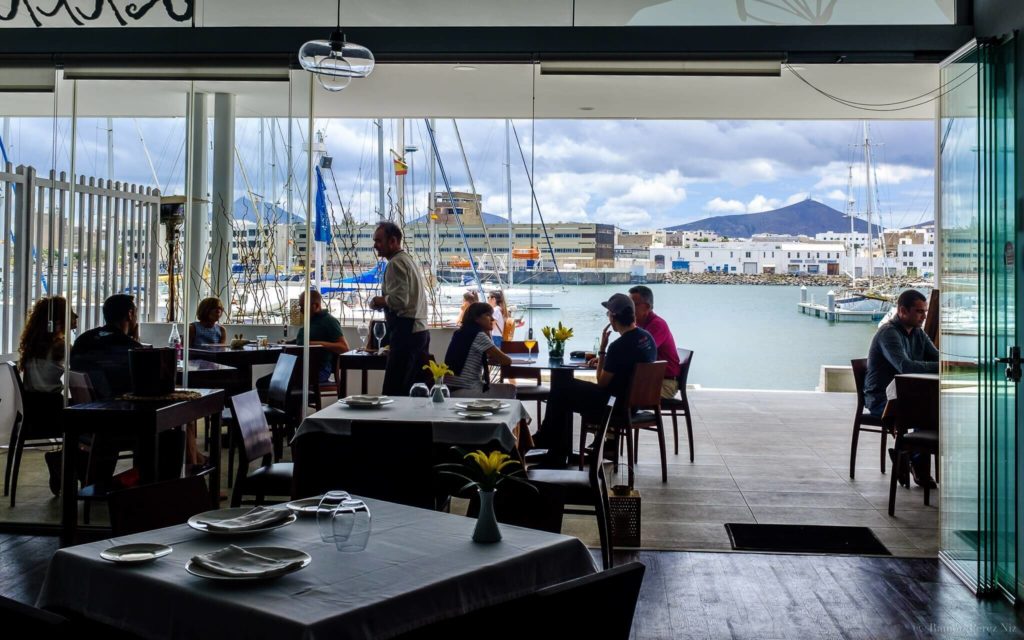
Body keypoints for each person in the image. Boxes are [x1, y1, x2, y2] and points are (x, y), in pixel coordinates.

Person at [532, 293, 656, 466]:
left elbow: (601, 382)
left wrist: (603, 351)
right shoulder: (647, 338)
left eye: (608, 314)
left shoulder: (617, 346)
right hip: (632, 404)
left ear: (613, 317)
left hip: (614, 404)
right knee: (563, 387)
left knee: (561, 390)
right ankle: (555, 449)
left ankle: (551, 447)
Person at [864, 289, 939, 487]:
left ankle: (905, 455)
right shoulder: (888, 333)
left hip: (908, 395)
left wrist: (945, 364)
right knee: (924, 414)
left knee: (931, 412)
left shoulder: (918, 333)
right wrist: (943, 366)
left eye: (925, 311)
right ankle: (910, 459)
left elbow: (937, 358)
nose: (924, 316)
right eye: (919, 312)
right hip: (881, 398)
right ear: (902, 310)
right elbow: (905, 366)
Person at [17, 296, 77, 496]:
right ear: (59, 319)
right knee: (94, 422)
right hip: (51, 413)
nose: (75, 316)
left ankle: (63, 460)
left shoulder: (34, 345)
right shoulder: (60, 346)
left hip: (34, 413)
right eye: (70, 313)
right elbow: (83, 366)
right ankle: (75, 468)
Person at [369, 221, 430, 396]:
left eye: (379, 241)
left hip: (406, 332)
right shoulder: (408, 260)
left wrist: (378, 301)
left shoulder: (395, 264)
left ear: (393, 241)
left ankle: (392, 423)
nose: (375, 246)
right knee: (415, 390)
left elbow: (399, 301)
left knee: (394, 390)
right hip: (420, 331)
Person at [445, 302, 512, 393]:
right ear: (476, 318)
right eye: (488, 315)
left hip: (450, 388)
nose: (492, 319)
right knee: (510, 390)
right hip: (466, 388)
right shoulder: (479, 335)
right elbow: (506, 361)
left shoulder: (461, 332)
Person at [628, 285, 681, 399]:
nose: (629, 309)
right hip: (651, 379)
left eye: (633, 305)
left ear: (647, 307)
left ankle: (628, 416)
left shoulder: (657, 325)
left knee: (621, 392)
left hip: (665, 383)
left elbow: (643, 353)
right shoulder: (639, 325)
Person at [295, 289, 349, 384]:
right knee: (267, 382)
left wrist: (318, 344)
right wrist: (288, 342)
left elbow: (344, 348)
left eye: (303, 306)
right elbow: (306, 340)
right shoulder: (311, 320)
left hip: (319, 369)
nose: (301, 310)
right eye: (300, 306)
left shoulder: (329, 321)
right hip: (302, 367)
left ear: (316, 306)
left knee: (281, 383)